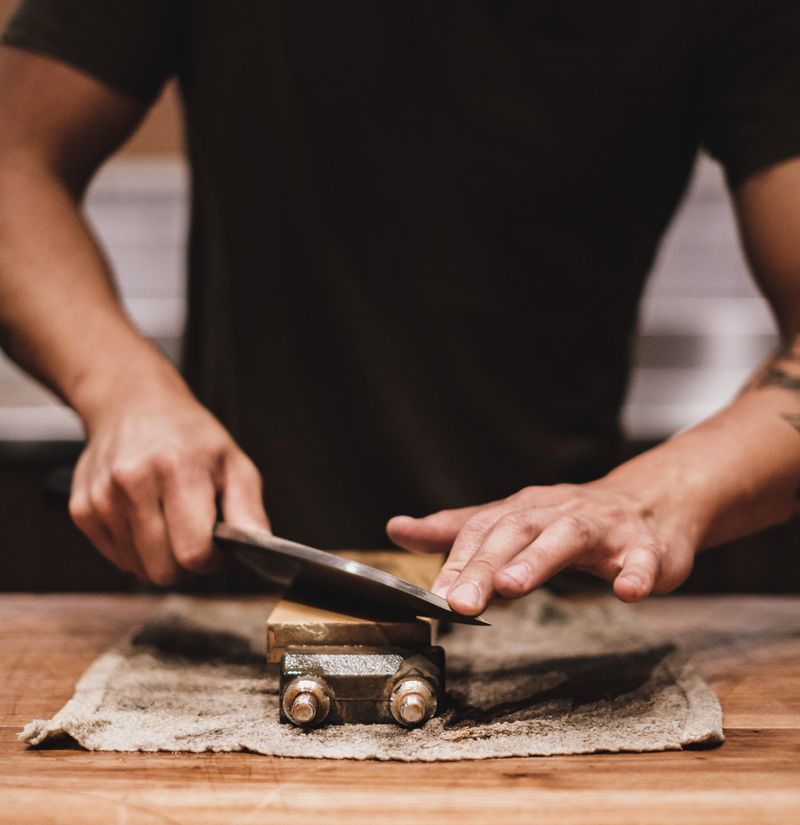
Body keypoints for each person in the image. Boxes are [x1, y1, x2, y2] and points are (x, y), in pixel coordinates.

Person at [1, 1, 799, 617]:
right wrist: (125, 391)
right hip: (225, 591)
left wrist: (653, 499)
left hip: (556, 614)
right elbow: (12, 162)